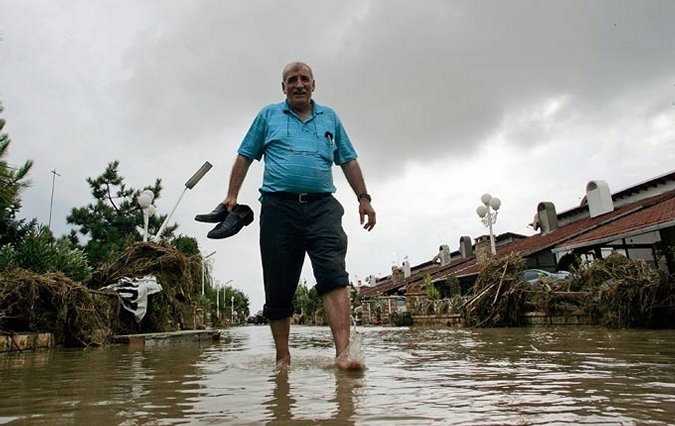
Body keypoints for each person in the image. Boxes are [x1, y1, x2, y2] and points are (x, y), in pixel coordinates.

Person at [222, 61, 376, 370]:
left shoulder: (329, 117)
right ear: (283, 87)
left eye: (304, 78)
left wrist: (364, 198)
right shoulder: (268, 116)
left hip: (322, 208)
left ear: (314, 85)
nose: (298, 84)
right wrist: (232, 196)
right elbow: (245, 156)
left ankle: (344, 354)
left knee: (334, 275)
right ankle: (283, 358)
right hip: (279, 209)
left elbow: (348, 160)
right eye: (292, 80)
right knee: (279, 284)